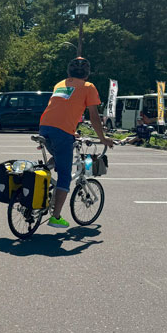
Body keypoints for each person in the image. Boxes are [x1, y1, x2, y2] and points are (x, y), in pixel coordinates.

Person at [38, 57, 114, 229]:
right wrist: (102, 139)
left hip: (44, 127)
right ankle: (55, 217)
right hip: (61, 132)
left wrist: (73, 131)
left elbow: (64, 108)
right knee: (65, 175)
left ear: (68, 72)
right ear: (87, 74)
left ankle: (41, 177)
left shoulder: (60, 84)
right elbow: (94, 116)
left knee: (57, 156)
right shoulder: (88, 87)